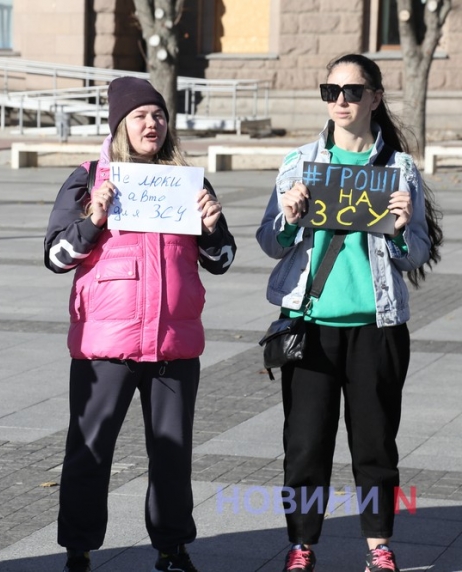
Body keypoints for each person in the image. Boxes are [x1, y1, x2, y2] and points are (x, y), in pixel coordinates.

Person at [256, 54, 442, 572]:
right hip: (311, 328)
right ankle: (301, 545)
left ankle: (378, 546)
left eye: (353, 91)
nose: (341, 100)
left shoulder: (399, 169)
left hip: (377, 328)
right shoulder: (298, 162)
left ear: (375, 98)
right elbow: (271, 242)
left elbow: (419, 253)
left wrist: (404, 229)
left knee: (376, 446)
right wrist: (290, 221)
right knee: (305, 447)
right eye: (331, 90)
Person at [44, 77, 237, 572]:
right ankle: (79, 550)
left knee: (172, 458)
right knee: (90, 452)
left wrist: (212, 227)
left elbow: (222, 259)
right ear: (119, 126)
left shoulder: (189, 181)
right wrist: (93, 220)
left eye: (158, 115)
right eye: (140, 116)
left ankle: (173, 548)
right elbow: (56, 256)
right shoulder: (88, 179)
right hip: (105, 345)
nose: (152, 124)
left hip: (174, 345)